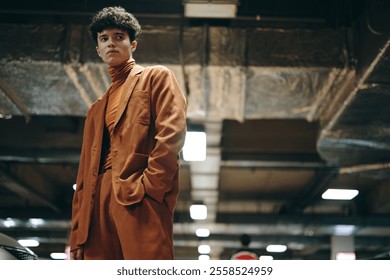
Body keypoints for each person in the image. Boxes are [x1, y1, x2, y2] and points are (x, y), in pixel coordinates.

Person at [69, 6, 187, 260]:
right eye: (104, 39)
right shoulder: (95, 108)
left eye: (119, 37)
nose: (111, 43)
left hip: (138, 194)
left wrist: (152, 187)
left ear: (133, 44)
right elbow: (83, 172)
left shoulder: (155, 77)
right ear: (98, 50)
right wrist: (77, 232)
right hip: (95, 206)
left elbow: (172, 132)